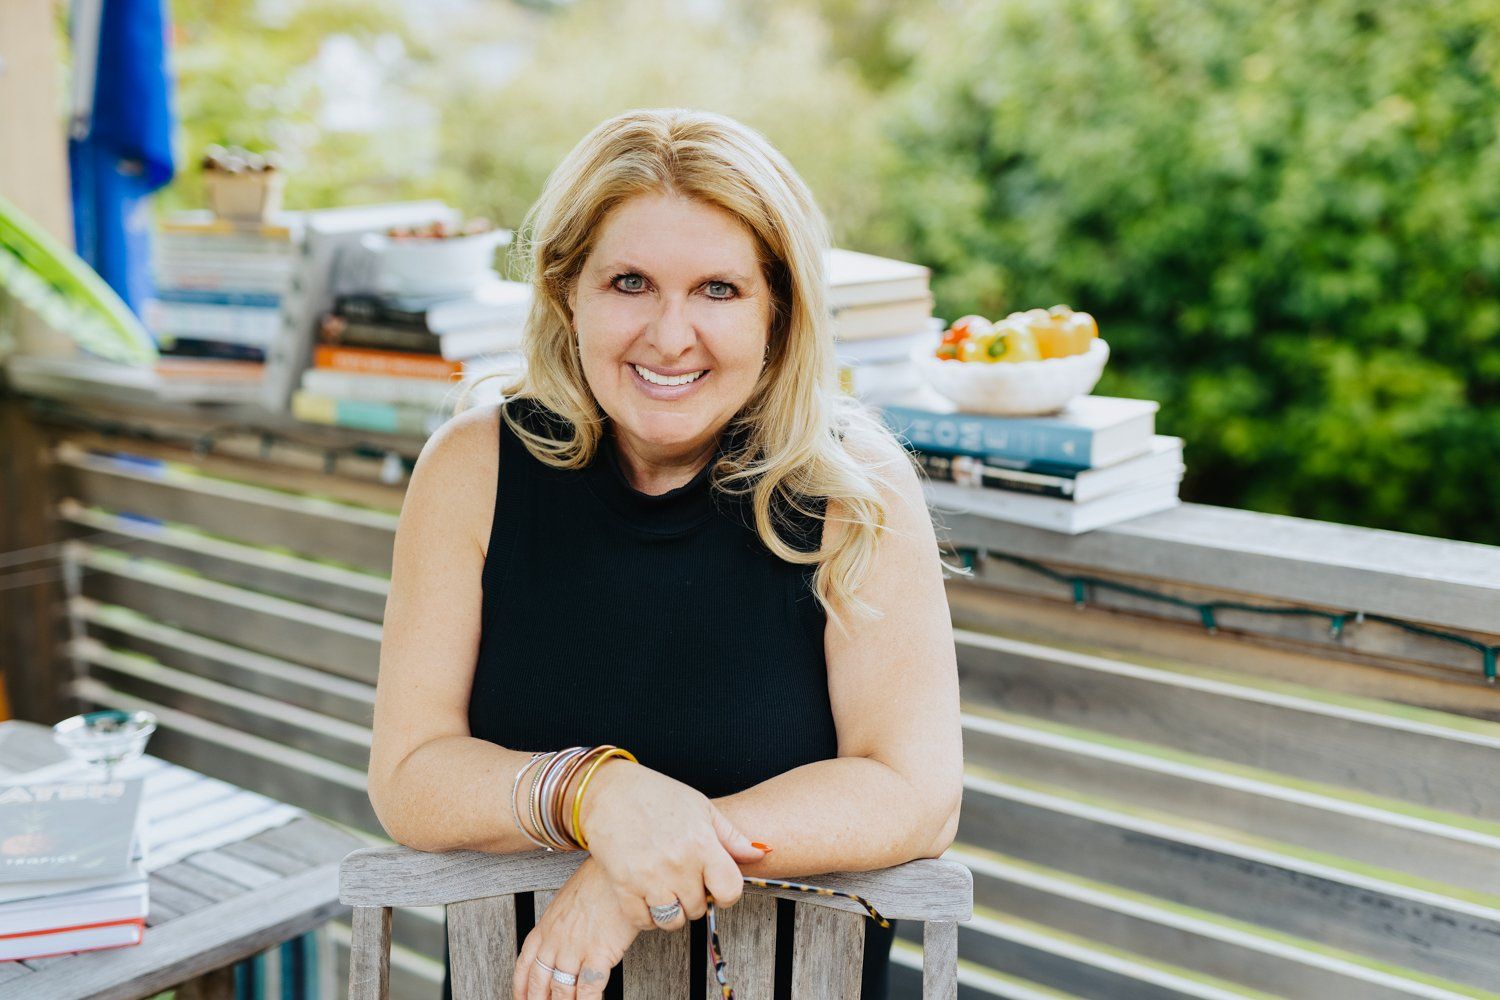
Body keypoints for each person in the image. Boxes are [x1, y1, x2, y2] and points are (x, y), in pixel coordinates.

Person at [366, 107, 964, 1000]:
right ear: (569, 292)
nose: (671, 336)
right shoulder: (474, 467)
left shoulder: (852, 488)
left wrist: (640, 866)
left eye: (718, 289)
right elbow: (410, 776)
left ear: (778, 312)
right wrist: (597, 796)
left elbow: (915, 793)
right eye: (631, 283)